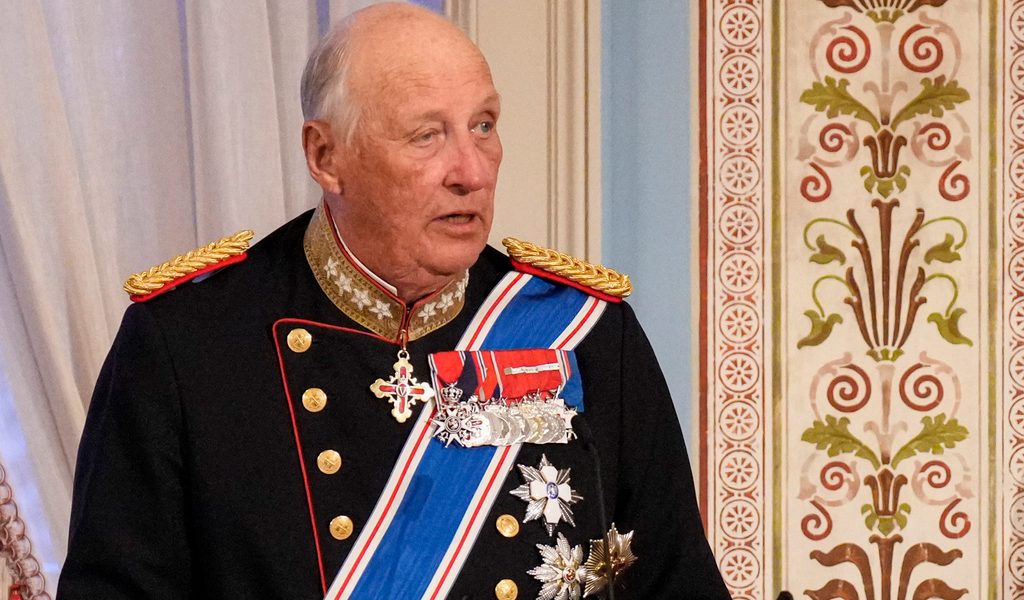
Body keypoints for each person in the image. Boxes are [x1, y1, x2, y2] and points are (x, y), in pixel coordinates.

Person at [56, 4, 729, 599]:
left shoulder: (585, 333)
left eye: (484, 125)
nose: (472, 171)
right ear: (326, 155)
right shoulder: (189, 344)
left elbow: (672, 581)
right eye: (427, 135)